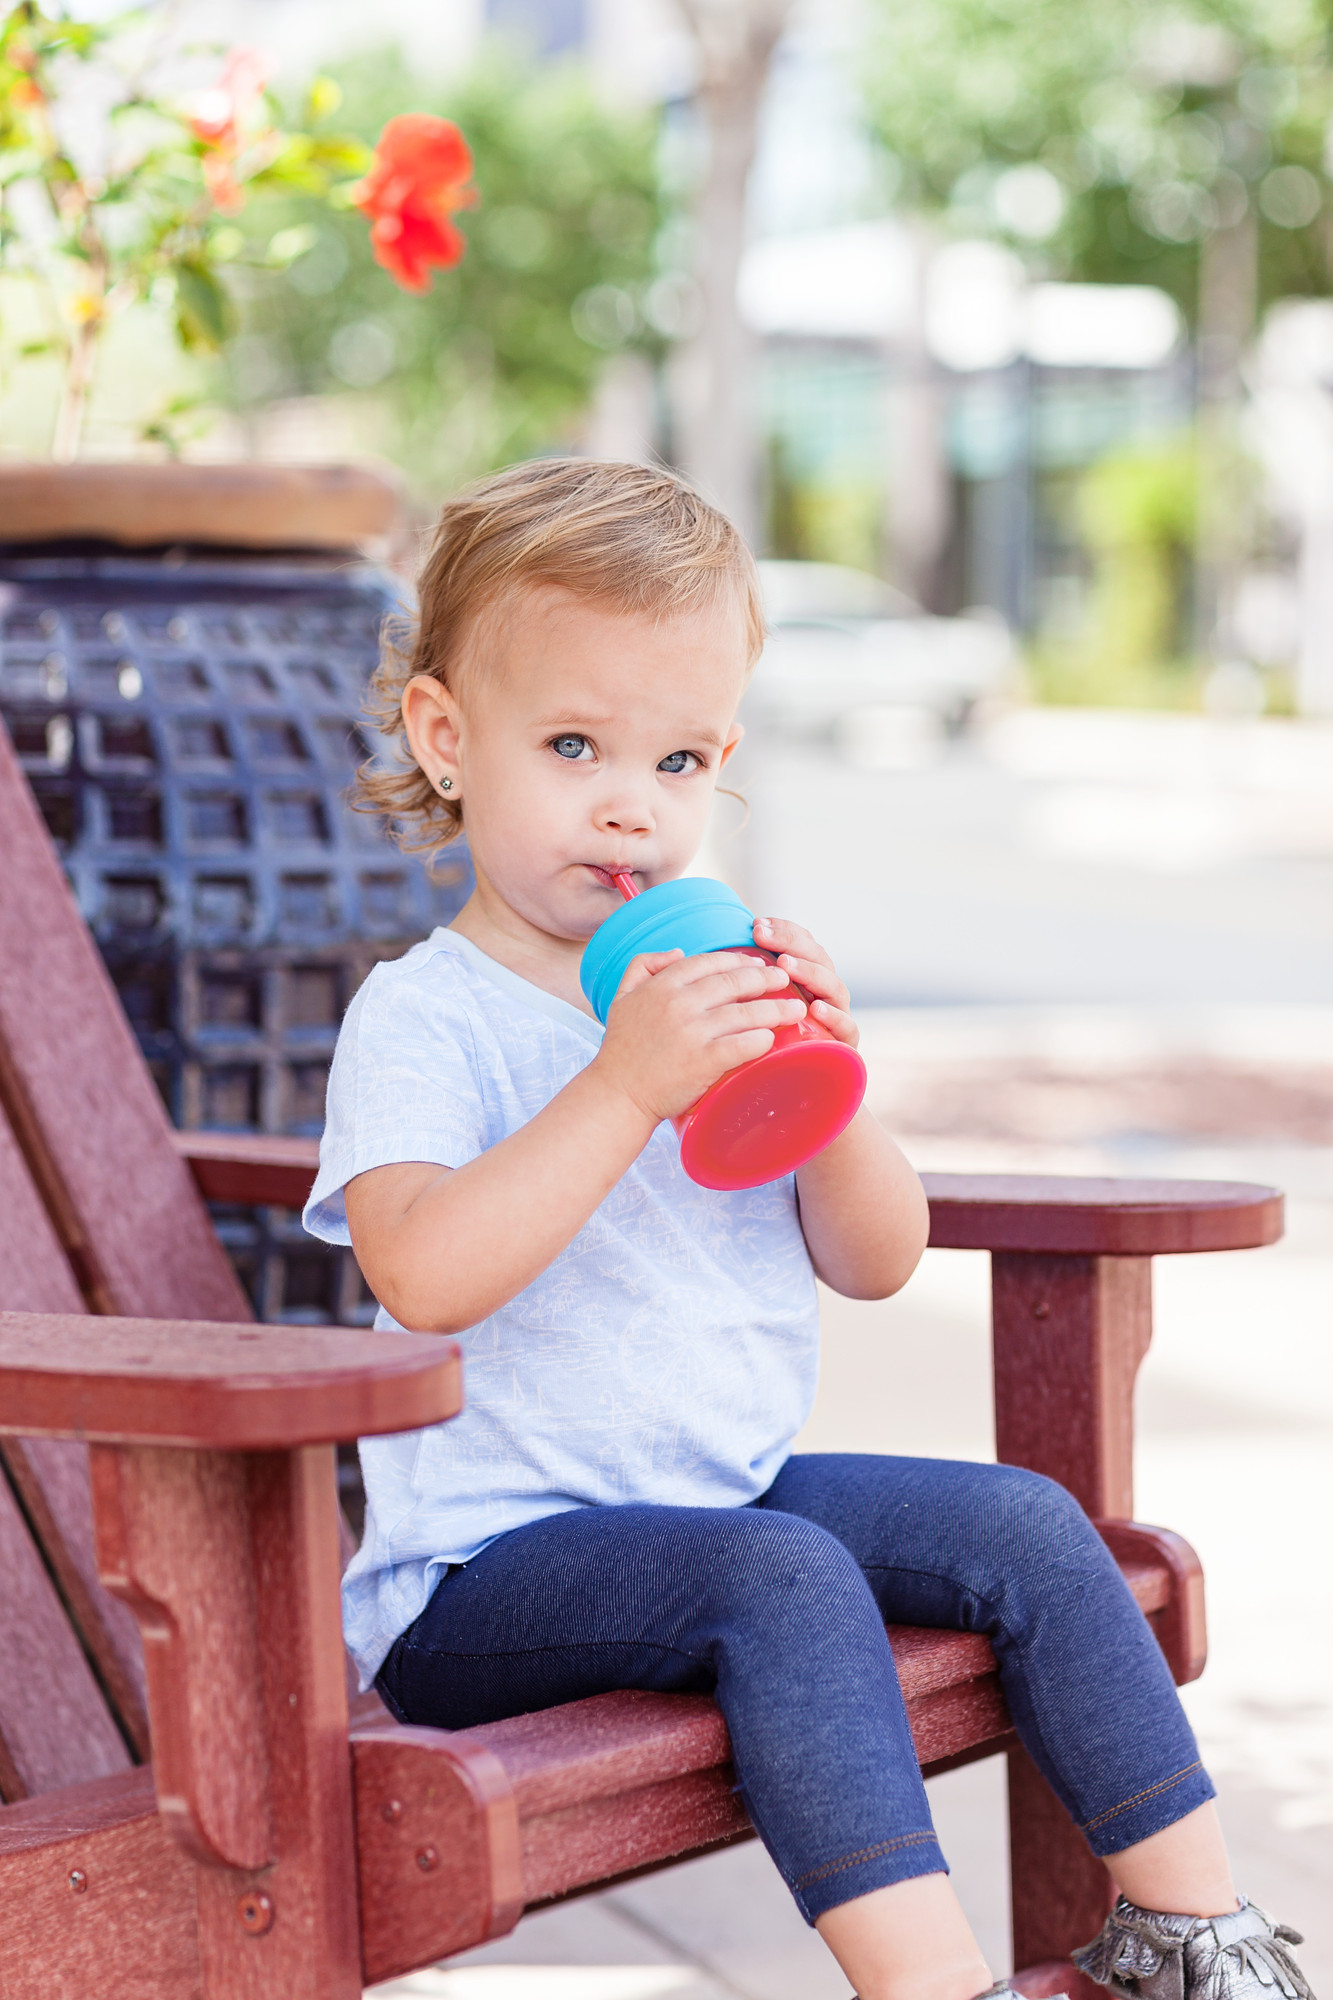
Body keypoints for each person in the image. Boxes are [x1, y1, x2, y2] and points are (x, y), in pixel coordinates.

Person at [304, 459, 1312, 2000]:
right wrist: (621, 1089)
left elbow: (874, 1258)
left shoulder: (713, 1004)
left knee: (1025, 1524)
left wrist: (822, 1083)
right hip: (487, 1576)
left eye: (682, 757)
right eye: (572, 745)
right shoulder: (425, 1017)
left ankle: (1197, 1935)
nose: (633, 803)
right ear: (447, 740)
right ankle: (931, 1982)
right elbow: (423, 1272)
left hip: (723, 1495)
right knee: (776, 1575)